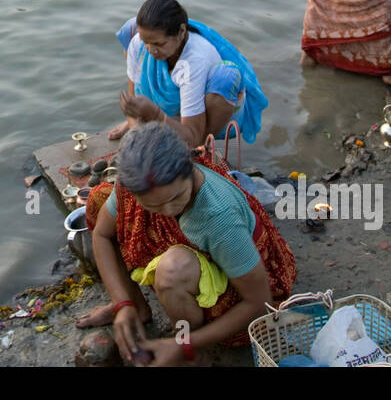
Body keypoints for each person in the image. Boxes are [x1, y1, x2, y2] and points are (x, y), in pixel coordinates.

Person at [76, 123, 296, 366]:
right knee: (97, 200)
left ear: (190, 169)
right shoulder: (132, 186)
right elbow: (102, 236)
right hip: (192, 247)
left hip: (241, 287)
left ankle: (193, 350)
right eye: (153, 206)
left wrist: (182, 343)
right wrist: (122, 302)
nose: (168, 210)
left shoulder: (218, 217)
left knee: (172, 271)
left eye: (176, 197)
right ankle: (138, 308)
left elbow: (258, 303)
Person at [108, 0, 268, 145]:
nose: (151, 50)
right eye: (146, 43)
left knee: (225, 77)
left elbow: (192, 136)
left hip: (210, 116)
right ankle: (167, 122)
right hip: (176, 108)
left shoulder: (195, 61)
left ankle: (202, 147)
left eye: (159, 44)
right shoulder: (139, 42)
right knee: (129, 28)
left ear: (181, 32)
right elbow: (134, 99)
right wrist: (136, 126)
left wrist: (154, 114)